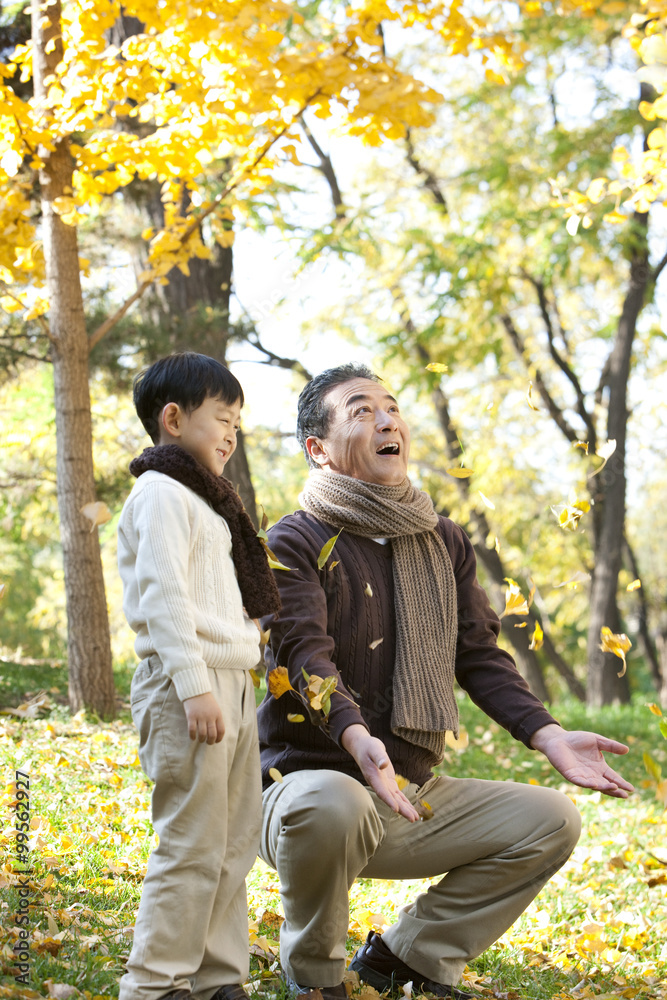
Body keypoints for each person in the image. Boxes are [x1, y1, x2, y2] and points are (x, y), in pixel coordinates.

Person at [256, 363, 634, 1000]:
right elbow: (303, 658)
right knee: (334, 801)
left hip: (408, 792)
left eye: (392, 407)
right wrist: (354, 737)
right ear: (317, 449)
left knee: (551, 820)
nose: (386, 420)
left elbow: (479, 655)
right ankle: (317, 978)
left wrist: (547, 734)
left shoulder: (443, 540)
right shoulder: (293, 541)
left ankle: (410, 958)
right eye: (360, 410)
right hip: (300, 792)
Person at [117, 352, 281, 1000]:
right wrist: (194, 687)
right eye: (222, 417)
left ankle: (218, 978)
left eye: (238, 421)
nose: (231, 434)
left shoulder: (210, 503)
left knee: (233, 842)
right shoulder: (159, 493)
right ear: (173, 417)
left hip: (231, 680)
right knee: (189, 842)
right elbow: (164, 598)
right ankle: (154, 984)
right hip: (190, 682)